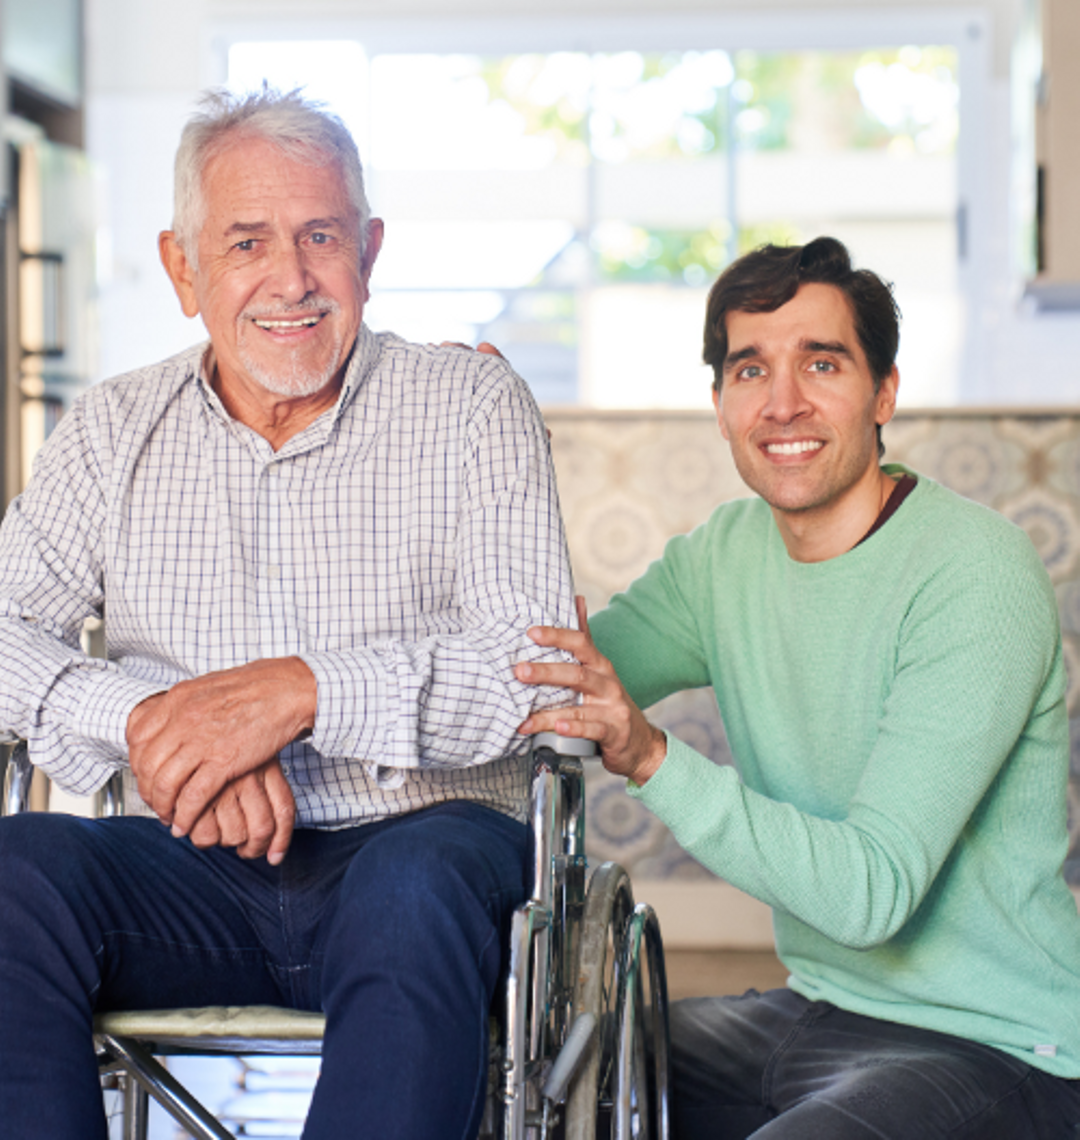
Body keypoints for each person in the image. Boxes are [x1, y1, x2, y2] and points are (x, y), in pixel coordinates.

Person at [0, 88, 577, 1140]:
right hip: (188, 861)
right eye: (247, 242)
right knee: (14, 874)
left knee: (417, 881)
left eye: (321, 236)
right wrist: (161, 725)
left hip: (421, 844)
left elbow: (524, 669)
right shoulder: (110, 429)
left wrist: (296, 695)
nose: (292, 278)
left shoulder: (470, 408)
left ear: (371, 249)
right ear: (183, 268)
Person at [516, 237, 1080, 1138]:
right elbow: (559, 679)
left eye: (822, 363)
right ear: (719, 403)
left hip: (1001, 1046)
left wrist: (655, 759)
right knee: (534, 1078)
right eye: (750, 370)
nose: (784, 403)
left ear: (884, 391)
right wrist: (489, 442)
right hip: (814, 1009)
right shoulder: (725, 557)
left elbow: (871, 894)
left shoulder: (976, 572)